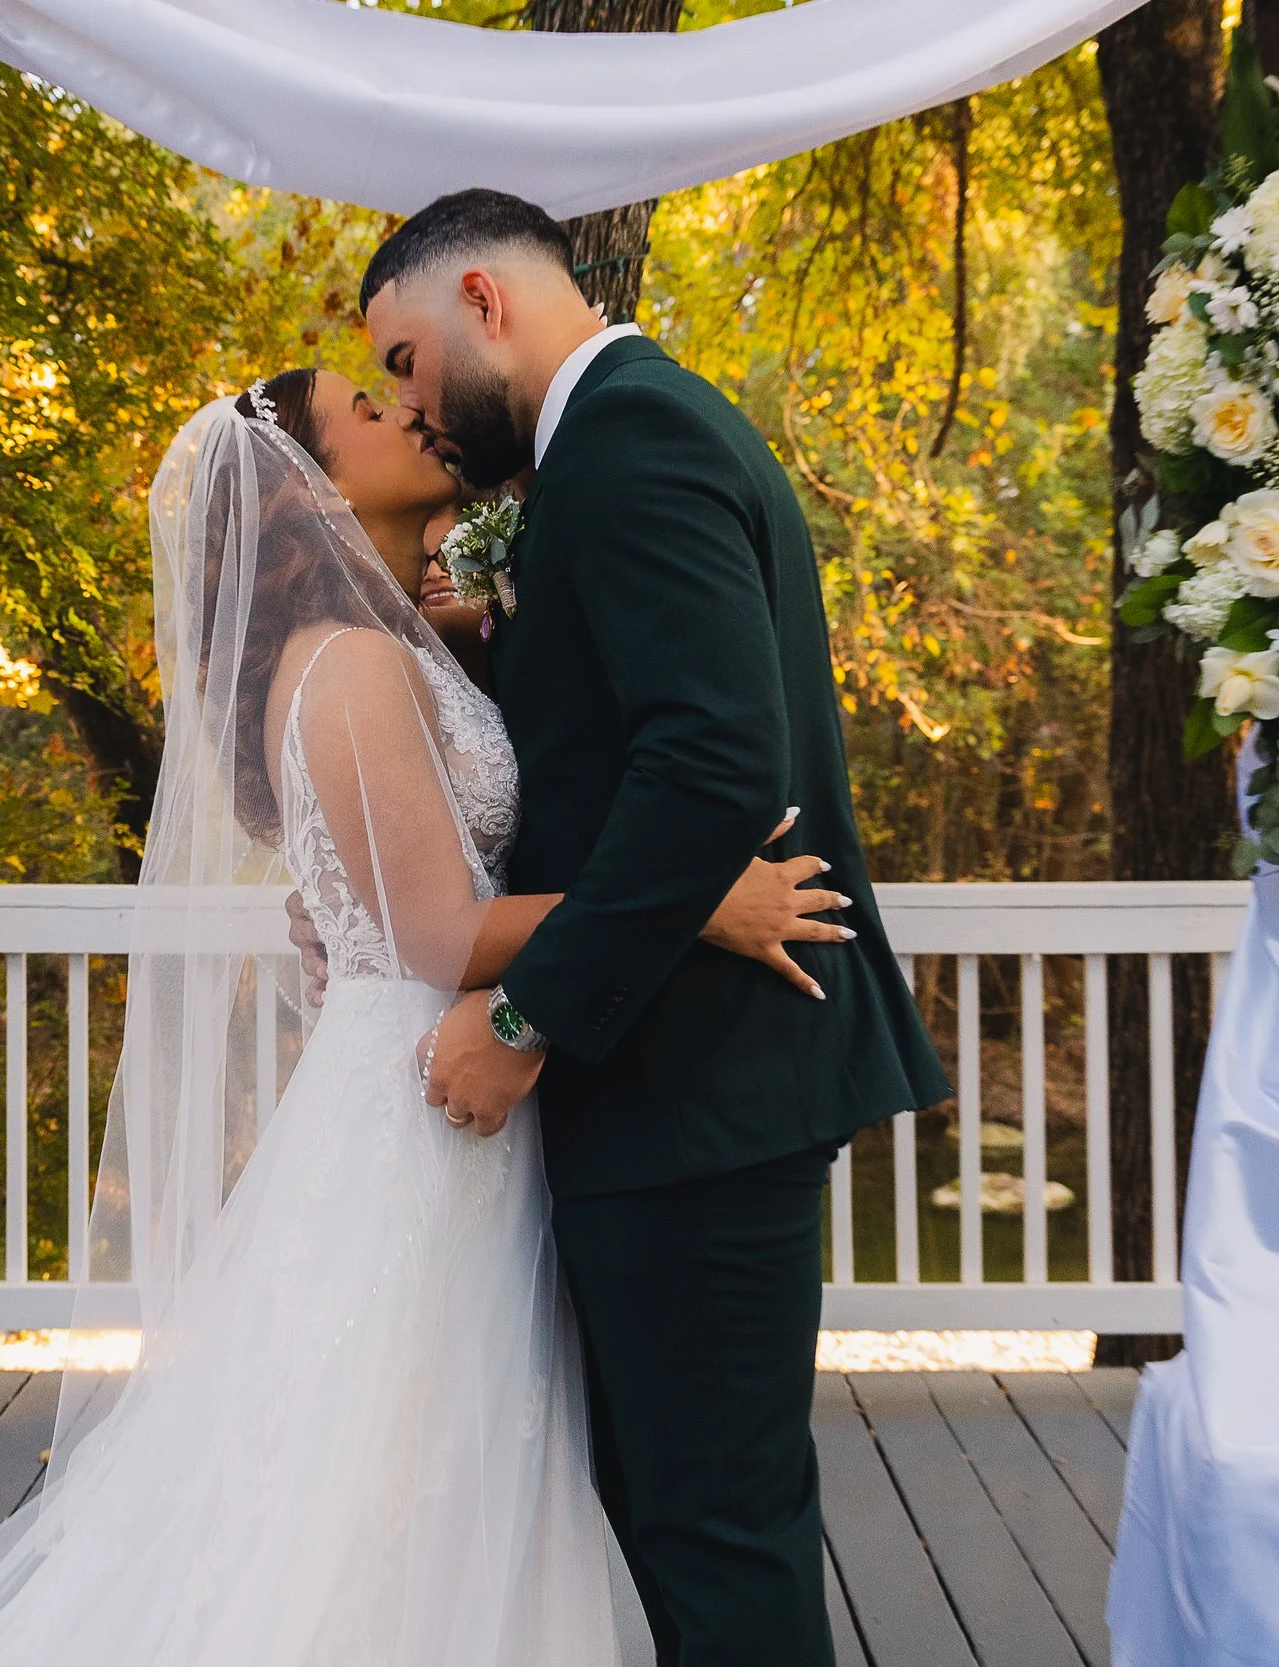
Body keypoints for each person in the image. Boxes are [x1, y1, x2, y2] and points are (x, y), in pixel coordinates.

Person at [0, 361, 848, 1667]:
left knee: (444, 1465)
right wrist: (691, 895)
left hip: (439, 1083)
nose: (404, 410)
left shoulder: (400, 640)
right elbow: (435, 935)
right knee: (396, 1478)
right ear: (309, 484)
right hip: (419, 1101)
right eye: (365, 409)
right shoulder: (350, 661)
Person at [362, 188, 951, 1667]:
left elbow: (711, 762)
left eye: (409, 362)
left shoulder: (637, 441)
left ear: (485, 302)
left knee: (714, 1548)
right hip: (679, 1084)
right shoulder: (609, 449)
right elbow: (613, 746)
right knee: (672, 1529)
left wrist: (523, 1014)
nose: (412, 410)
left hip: (700, 1090)